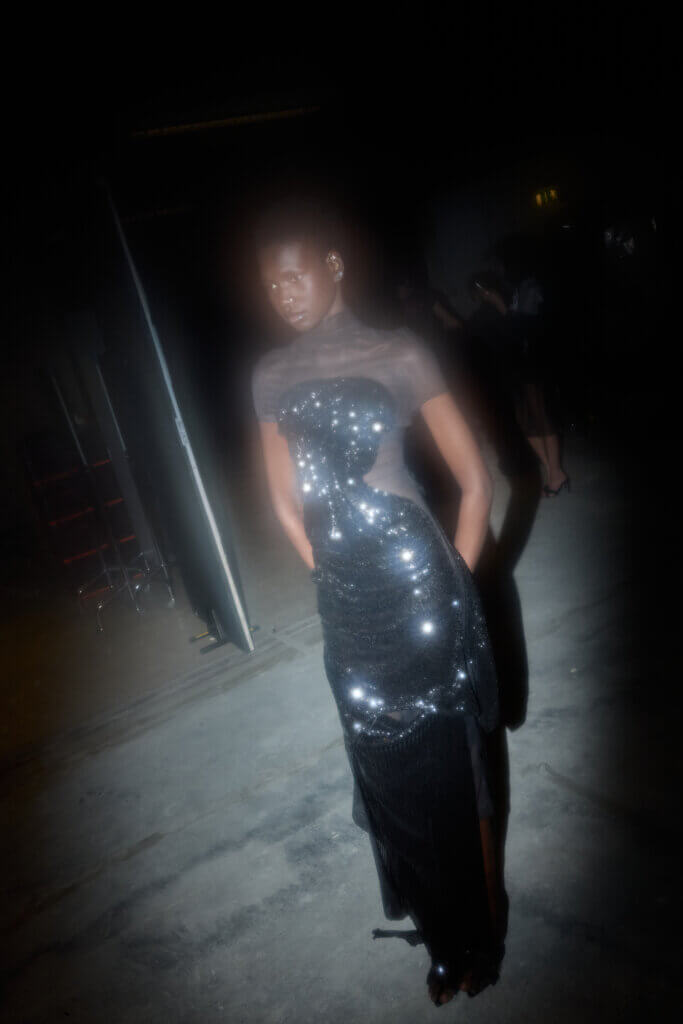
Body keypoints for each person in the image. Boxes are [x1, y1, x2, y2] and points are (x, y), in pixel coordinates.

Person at [250, 200, 503, 1006]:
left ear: (332, 266)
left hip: (422, 588)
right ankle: (440, 935)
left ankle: (483, 932)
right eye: (270, 284)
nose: (283, 293)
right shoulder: (269, 375)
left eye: (295, 276)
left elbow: (476, 483)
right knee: (389, 784)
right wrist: (330, 577)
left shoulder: (398, 351)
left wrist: (453, 586)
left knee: (456, 777)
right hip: (349, 609)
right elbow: (283, 503)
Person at [467, 272, 569, 496]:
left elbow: (521, 332)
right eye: (477, 289)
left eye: (482, 287)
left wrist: (501, 305)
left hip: (529, 364)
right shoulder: (483, 313)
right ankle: (553, 471)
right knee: (526, 423)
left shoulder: (518, 296)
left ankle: (555, 474)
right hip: (510, 371)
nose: (481, 292)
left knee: (542, 419)